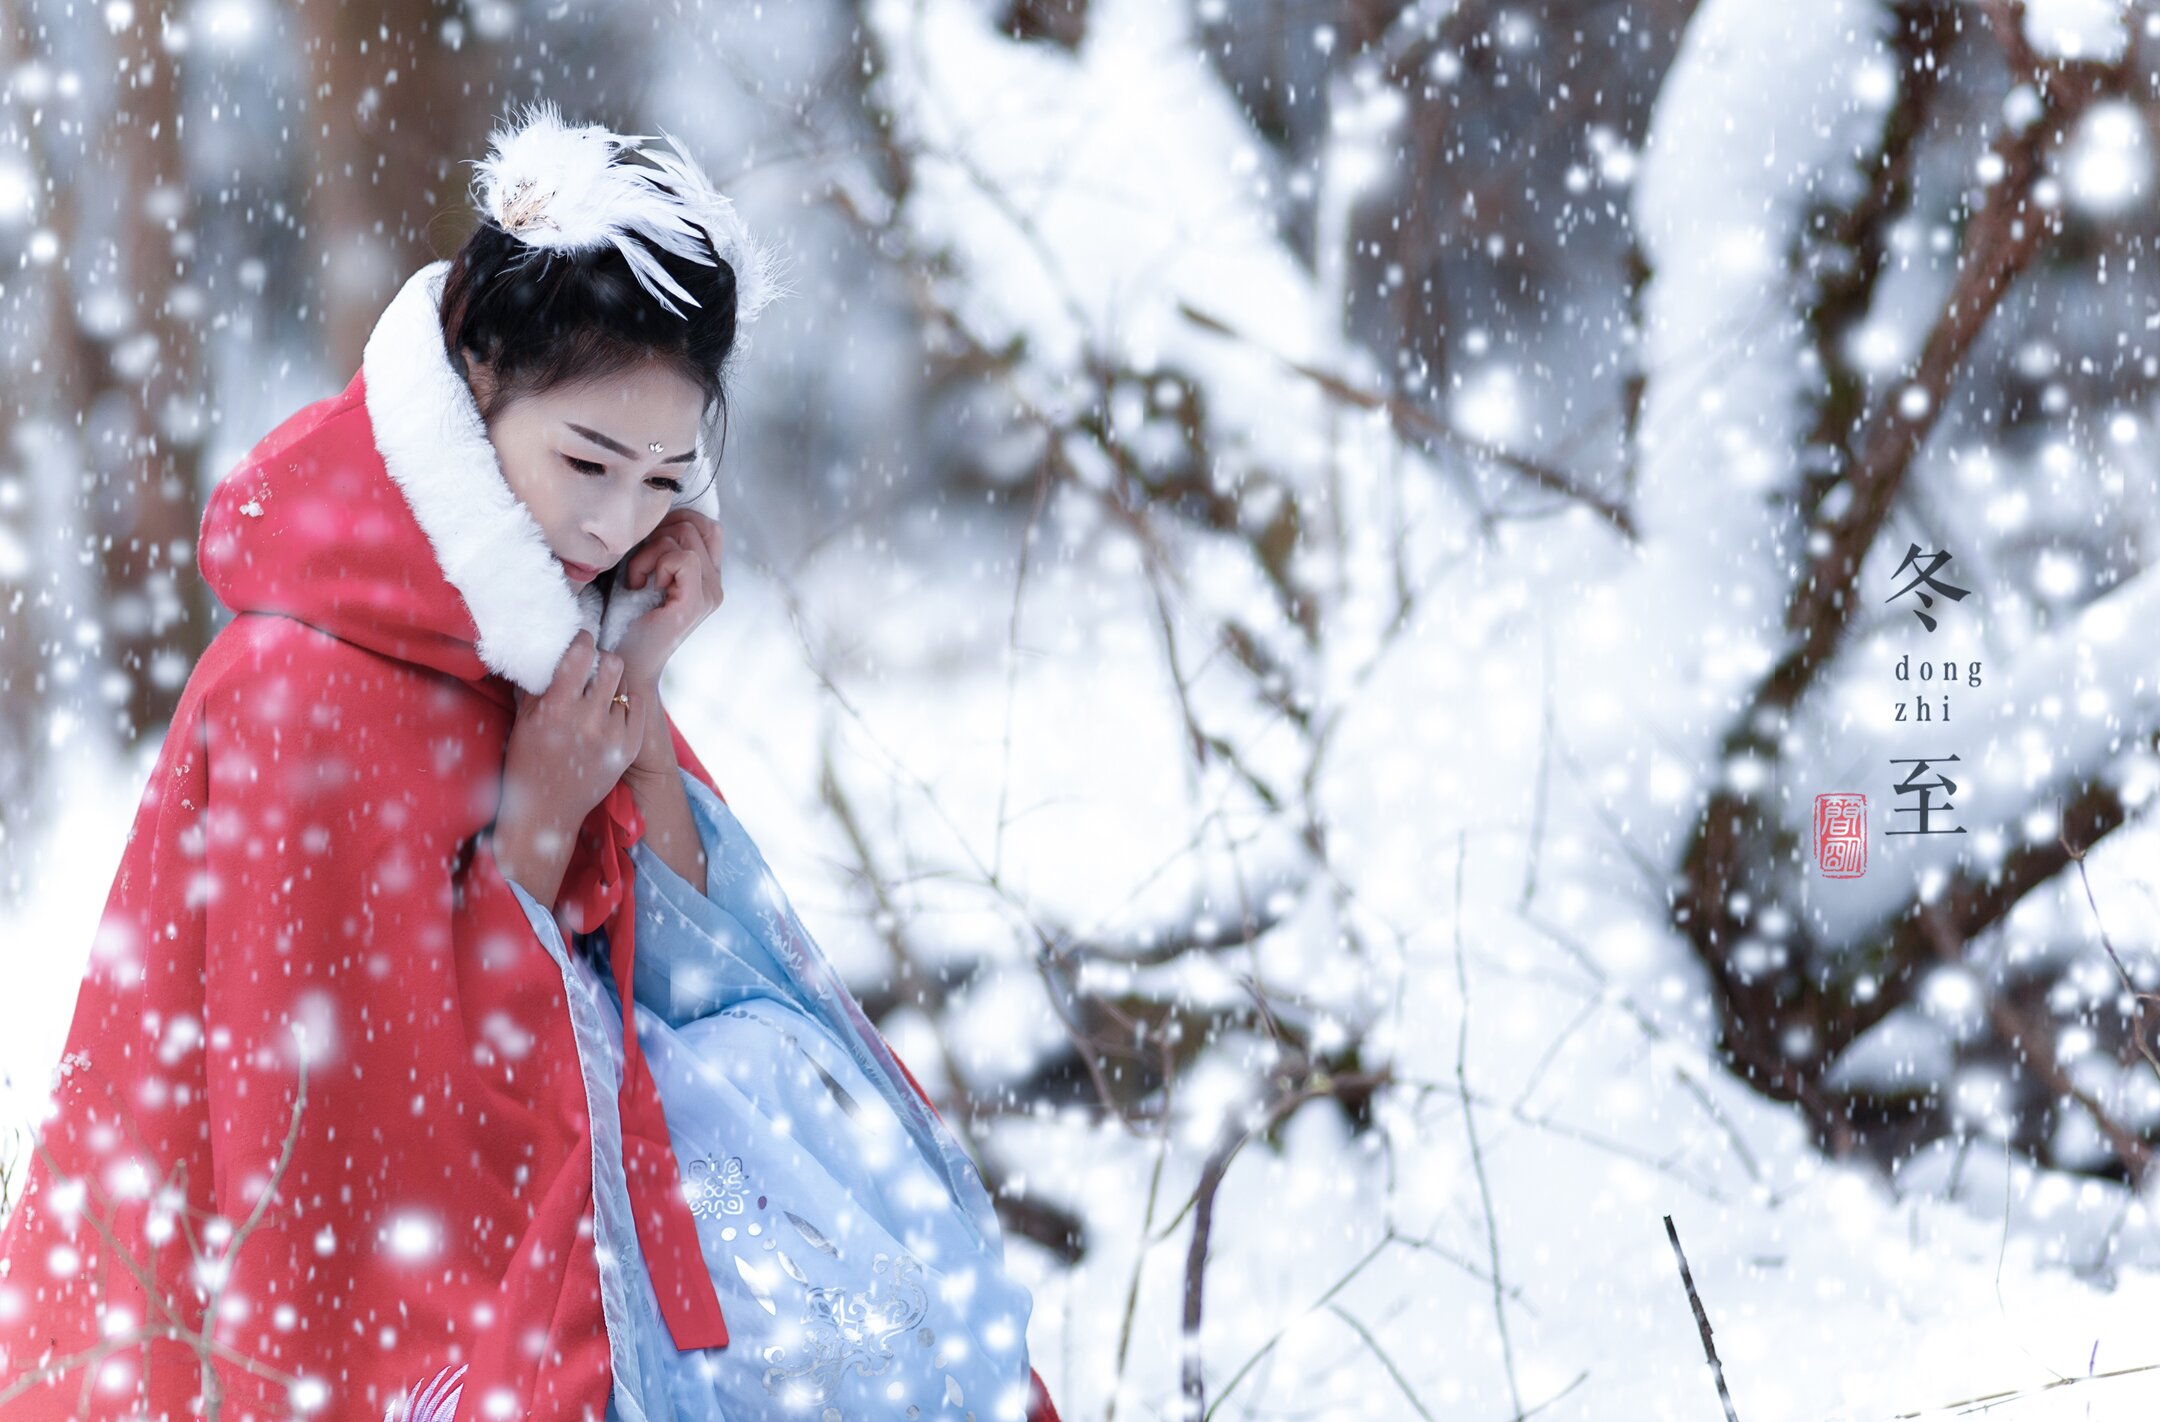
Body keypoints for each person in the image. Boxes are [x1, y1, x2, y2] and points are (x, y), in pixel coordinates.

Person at [0, 100, 1063, 1422]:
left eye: (668, 477)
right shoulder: (302, 684)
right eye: (588, 460)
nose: (619, 519)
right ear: (475, 376)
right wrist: (538, 830)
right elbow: (351, 1153)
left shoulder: (552, 631)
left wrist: (644, 688)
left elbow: (708, 995)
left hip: (574, 1262)